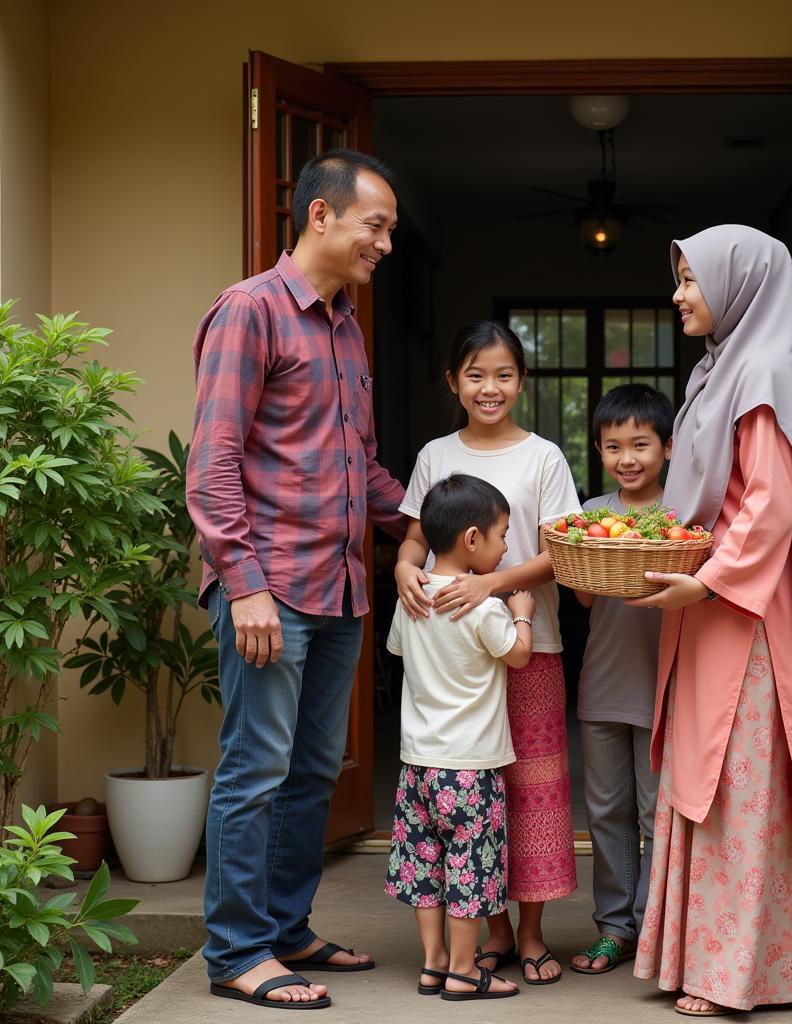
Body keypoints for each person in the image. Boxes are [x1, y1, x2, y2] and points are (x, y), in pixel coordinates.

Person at [186, 148, 405, 1010]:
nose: (384, 244)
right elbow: (212, 467)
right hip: (268, 590)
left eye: (389, 230)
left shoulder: (345, 324)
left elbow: (363, 469)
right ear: (322, 216)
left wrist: (438, 522)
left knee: (313, 771)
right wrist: (243, 585)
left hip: (340, 587)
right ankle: (237, 953)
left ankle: (283, 929)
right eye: (375, 226)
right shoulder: (251, 311)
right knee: (256, 771)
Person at [628, 225, 792, 1017]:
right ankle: (720, 965)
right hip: (717, 611)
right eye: (679, 277)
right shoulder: (724, 367)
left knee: (739, 789)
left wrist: (707, 581)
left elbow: (768, 511)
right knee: (707, 786)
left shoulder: (762, 369)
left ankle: (734, 978)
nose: (680, 294)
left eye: (692, 279)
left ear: (740, 282)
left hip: (747, 621)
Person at [394, 321, 580, 985]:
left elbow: (563, 555)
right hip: (454, 651)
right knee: (470, 799)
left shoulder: (544, 458)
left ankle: (530, 934)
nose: (489, 387)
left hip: (529, 646)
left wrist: (491, 586)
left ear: (521, 381)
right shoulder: (436, 456)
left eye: (503, 374)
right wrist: (401, 572)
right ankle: (489, 934)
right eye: (475, 374)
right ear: (453, 382)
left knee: (530, 795)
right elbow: (415, 543)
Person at [385, 473, 534, 1001]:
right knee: (470, 867)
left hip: (417, 764)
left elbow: (401, 652)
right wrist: (522, 615)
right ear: (472, 539)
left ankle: (433, 963)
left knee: (426, 862)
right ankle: (466, 970)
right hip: (471, 766)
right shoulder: (483, 605)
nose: (507, 546)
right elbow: (516, 655)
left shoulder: (413, 595)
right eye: (501, 535)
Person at [569, 383, 673, 976]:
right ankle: (613, 928)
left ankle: (654, 927)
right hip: (603, 684)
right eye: (613, 446)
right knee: (606, 811)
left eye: (640, 444)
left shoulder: (683, 516)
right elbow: (583, 596)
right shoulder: (591, 515)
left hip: (665, 689)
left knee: (658, 811)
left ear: (665, 446)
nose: (627, 458)